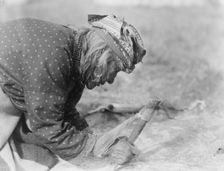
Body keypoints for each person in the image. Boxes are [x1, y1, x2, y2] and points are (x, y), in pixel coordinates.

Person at [0, 14, 146, 165]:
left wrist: (100, 142)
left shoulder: (77, 54)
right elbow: (47, 125)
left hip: (13, 84)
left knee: (48, 152)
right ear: (103, 57)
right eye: (114, 70)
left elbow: (63, 110)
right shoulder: (56, 57)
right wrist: (100, 148)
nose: (110, 80)